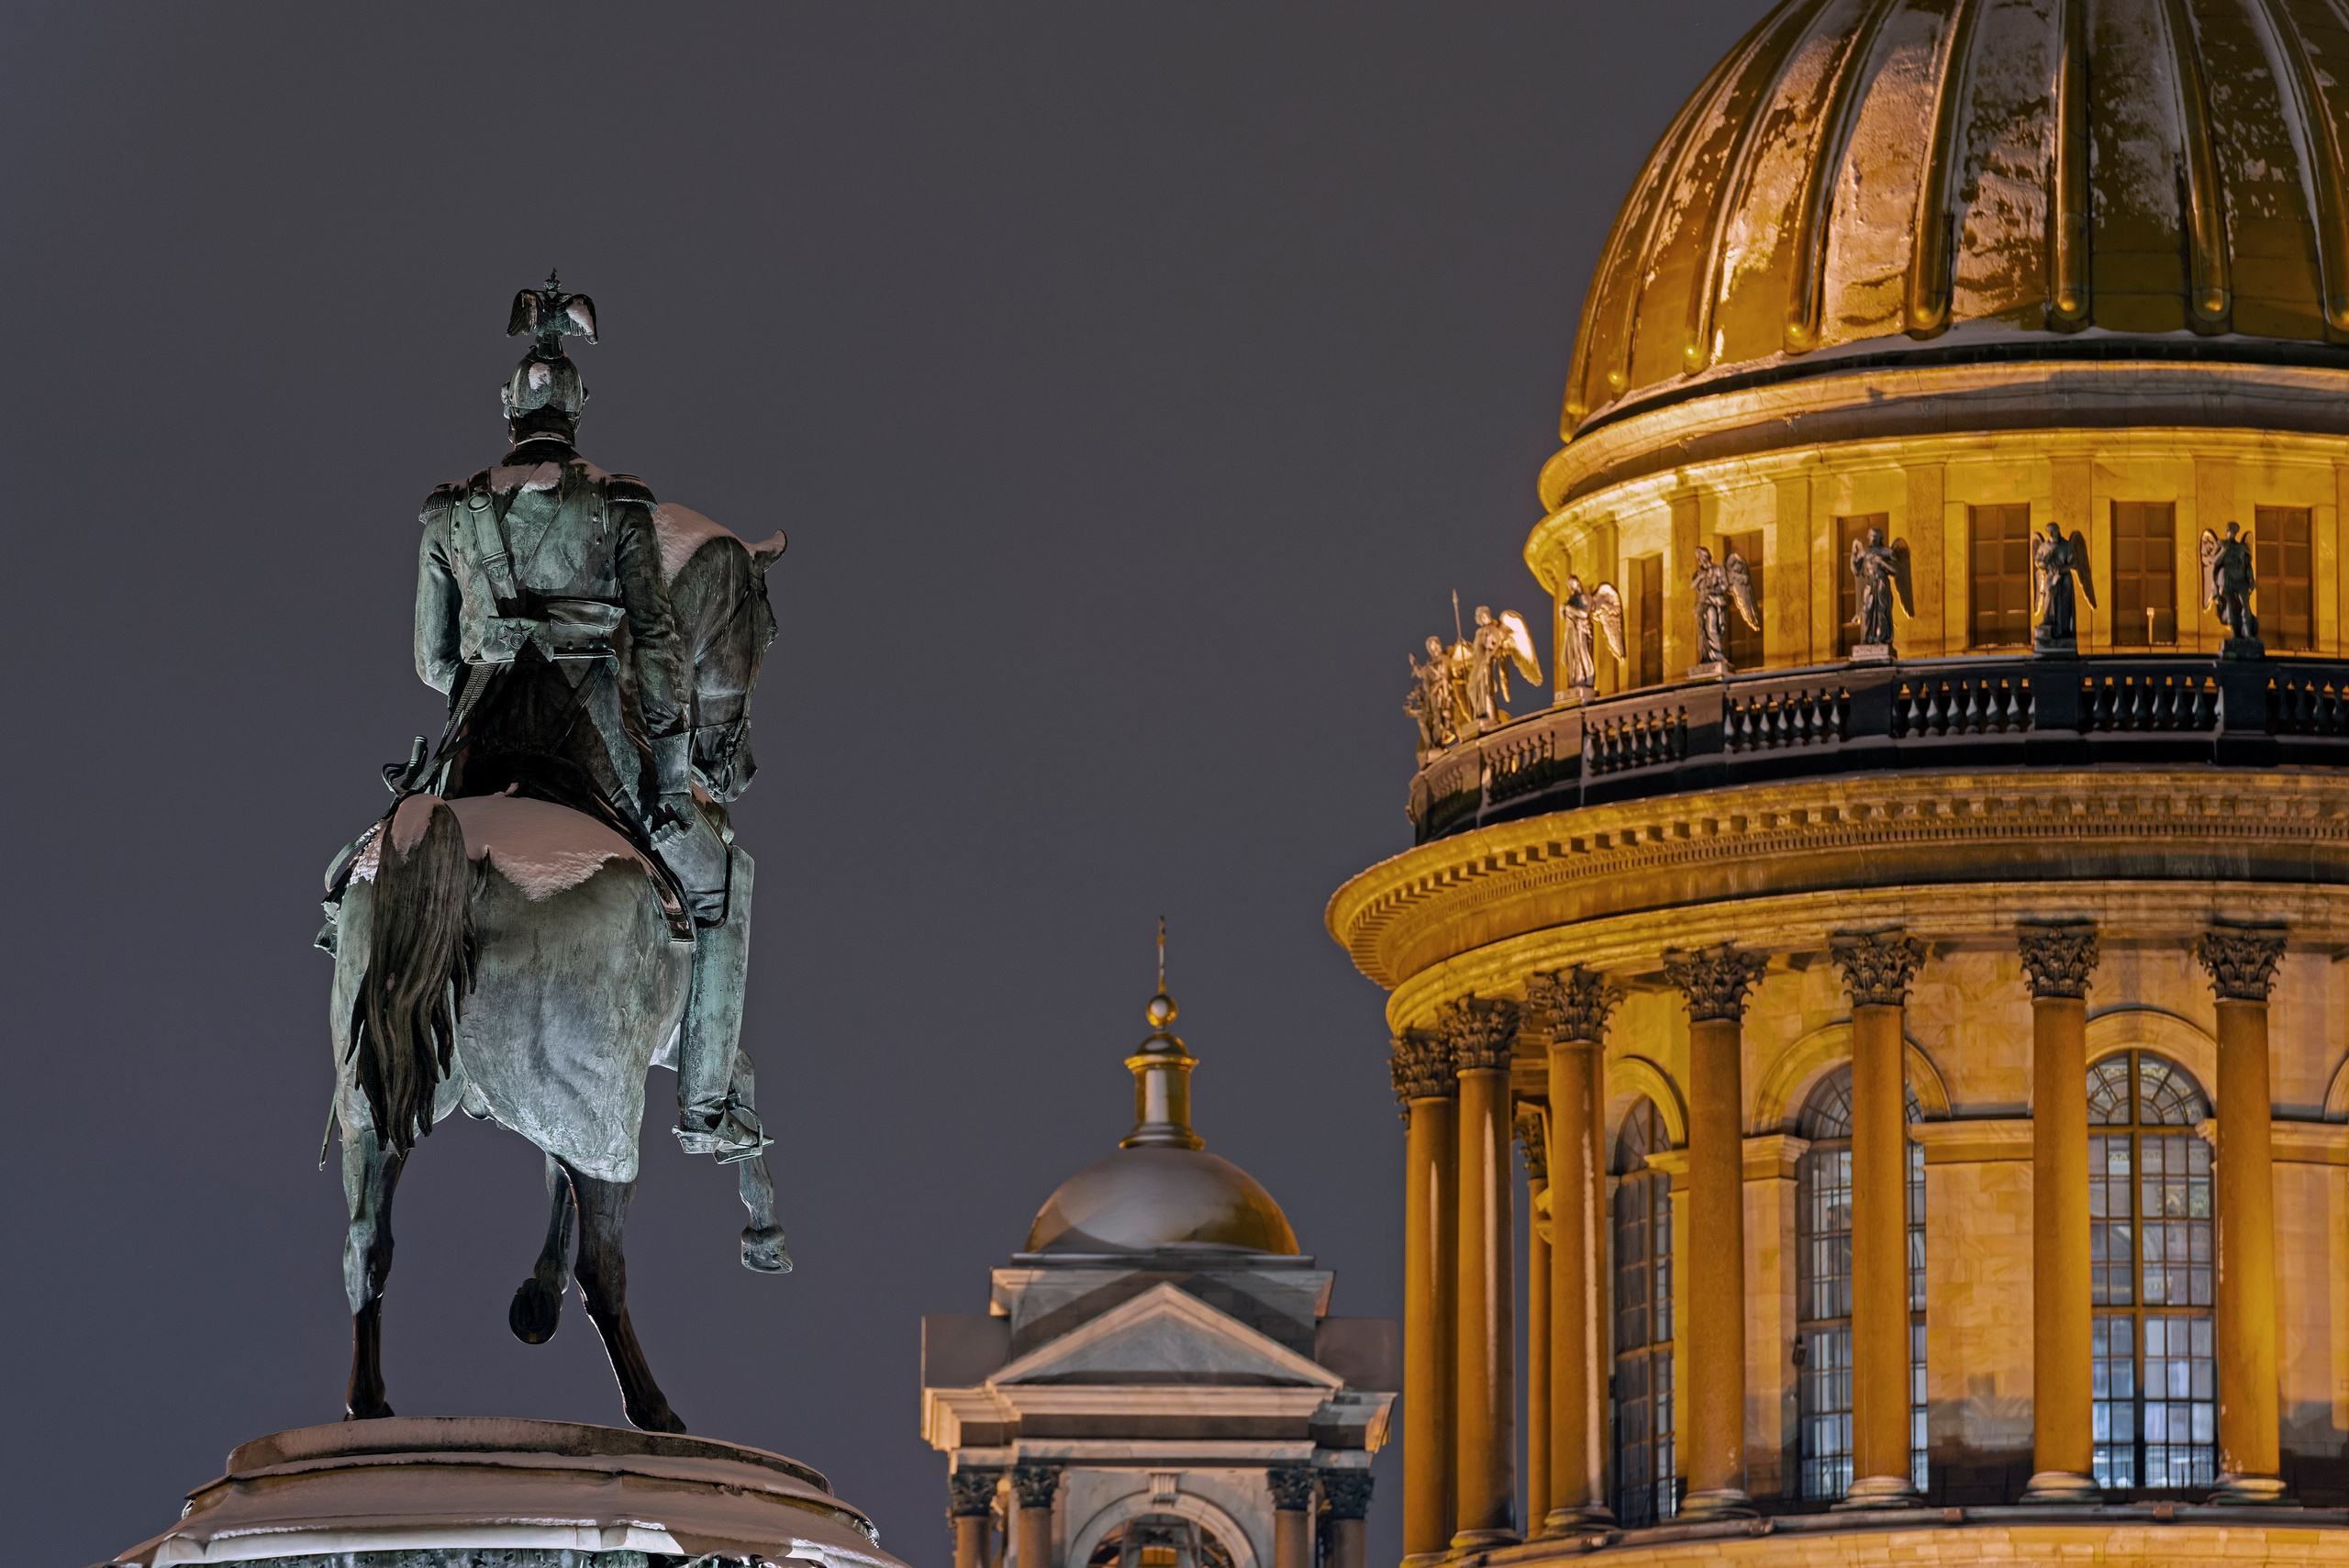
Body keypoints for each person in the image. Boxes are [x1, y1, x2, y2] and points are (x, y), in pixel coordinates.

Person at [410, 274, 763, 1162]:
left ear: (505, 407)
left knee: (360, 880)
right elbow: (654, 643)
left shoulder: (449, 510)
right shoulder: (620, 504)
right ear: (580, 408)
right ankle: (708, 1104)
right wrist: (672, 766)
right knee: (726, 885)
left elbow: (432, 662)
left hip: (478, 746)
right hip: (592, 740)